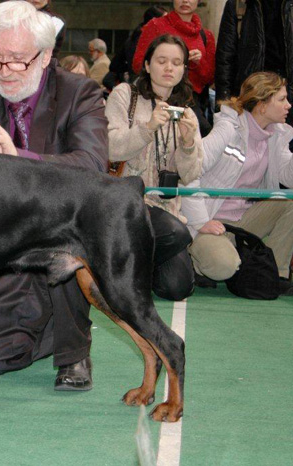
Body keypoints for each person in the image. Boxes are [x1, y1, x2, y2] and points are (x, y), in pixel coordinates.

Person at [0, 1, 108, 390]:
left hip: (67, 227)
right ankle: (43, 321)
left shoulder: (79, 92)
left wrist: (16, 157)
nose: (4, 71)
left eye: (17, 60)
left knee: (67, 250)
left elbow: (92, 165)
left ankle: (74, 349)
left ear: (45, 55)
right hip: (5, 238)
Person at [106, 34, 202, 300]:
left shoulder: (187, 113)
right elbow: (110, 147)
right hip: (125, 203)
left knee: (177, 287)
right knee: (176, 232)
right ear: (147, 65)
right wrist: (147, 129)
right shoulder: (125, 95)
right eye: (161, 61)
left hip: (165, 209)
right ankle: (117, 265)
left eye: (177, 63)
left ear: (184, 69)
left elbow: (191, 175)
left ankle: (126, 267)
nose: (169, 68)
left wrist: (188, 145)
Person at [181, 72, 293, 295]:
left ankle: (275, 273)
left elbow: (288, 178)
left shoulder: (276, 134)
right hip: (211, 221)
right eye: (282, 99)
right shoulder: (227, 128)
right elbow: (189, 172)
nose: (288, 105)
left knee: (290, 203)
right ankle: (195, 257)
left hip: (244, 221)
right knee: (223, 267)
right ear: (262, 105)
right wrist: (201, 221)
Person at [132, 0, 215, 135]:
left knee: (194, 135)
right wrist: (167, 61)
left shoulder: (206, 36)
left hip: (191, 102)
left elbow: (209, 77)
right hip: (158, 99)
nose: (185, 1)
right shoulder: (155, 26)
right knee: (164, 137)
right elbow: (138, 64)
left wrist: (197, 63)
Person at [215, 0, 293, 127]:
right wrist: (224, 105)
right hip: (251, 98)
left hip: (288, 97)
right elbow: (225, 59)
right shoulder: (239, 4)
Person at [110, 6, 167, 84]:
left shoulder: (135, 36)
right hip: (144, 82)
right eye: (165, 20)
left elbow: (115, 64)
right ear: (153, 21)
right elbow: (115, 64)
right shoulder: (142, 38)